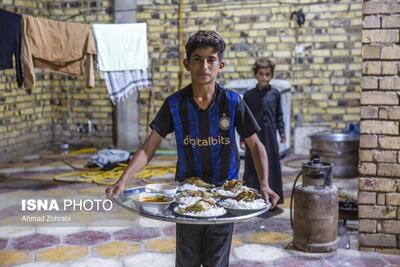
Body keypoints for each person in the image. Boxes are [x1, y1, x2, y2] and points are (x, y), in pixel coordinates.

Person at [106, 31, 280, 267]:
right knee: (187, 258)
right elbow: (148, 147)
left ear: (221, 64)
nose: (204, 66)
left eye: (211, 59)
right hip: (187, 195)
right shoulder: (174, 104)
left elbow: (256, 146)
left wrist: (264, 184)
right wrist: (123, 180)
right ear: (187, 64)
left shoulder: (233, 102)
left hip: (224, 195)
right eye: (197, 59)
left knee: (216, 260)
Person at [241, 58, 285, 204]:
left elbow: (279, 114)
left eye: (268, 74)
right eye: (261, 74)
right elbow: (243, 120)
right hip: (253, 138)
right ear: (256, 75)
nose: (264, 77)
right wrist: (242, 138)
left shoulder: (275, 94)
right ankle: (251, 198)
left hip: (270, 137)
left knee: (271, 165)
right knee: (252, 165)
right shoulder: (248, 95)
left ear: (271, 75)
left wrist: (282, 131)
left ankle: (272, 197)